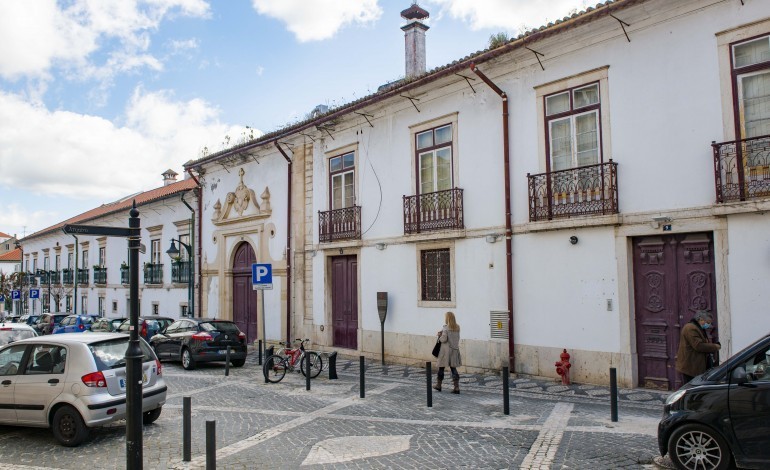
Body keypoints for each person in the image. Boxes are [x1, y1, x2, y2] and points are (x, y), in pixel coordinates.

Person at [675, 310, 721, 384]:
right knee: (691, 388)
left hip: (695, 365)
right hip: (690, 367)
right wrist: (715, 347)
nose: (708, 325)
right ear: (701, 319)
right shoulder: (690, 328)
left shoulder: (698, 327)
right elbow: (698, 346)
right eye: (708, 322)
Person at [433, 311, 462, 394]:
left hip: (445, 351)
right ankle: (456, 387)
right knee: (453, 368)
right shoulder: (457, 327)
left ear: (447, 318)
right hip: (455, 350)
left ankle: (439, 385)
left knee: (441, 368)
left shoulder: (446, 328)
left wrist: (440, 335)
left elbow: (444, 339)